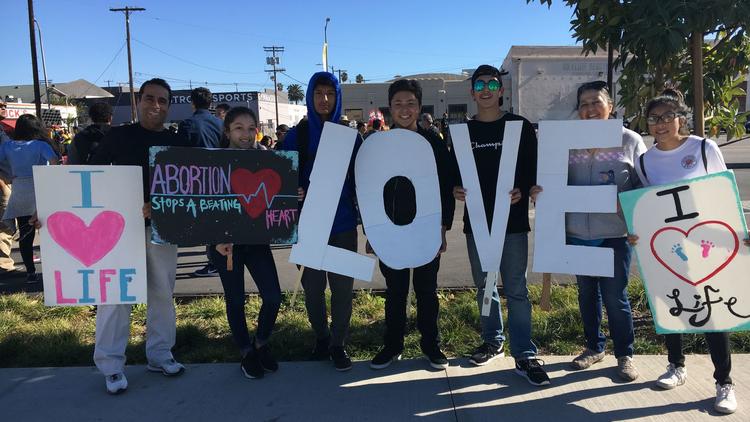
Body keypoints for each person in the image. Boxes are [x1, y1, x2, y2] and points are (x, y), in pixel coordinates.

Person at [631, 89, 737, 414]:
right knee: (672, 308)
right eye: (653, 118)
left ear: (681, 118)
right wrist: (636, 232)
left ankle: (725, 383)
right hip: (667, 246)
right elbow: (645, 204)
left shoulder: (705, 148)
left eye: (666, 117)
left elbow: (723, 193)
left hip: (706, 245)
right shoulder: (645, 161)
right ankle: (676, 365)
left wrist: (737, 236)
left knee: (713, 313)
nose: (660, 124)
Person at [534, 81, 645, 381]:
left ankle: (625, 355)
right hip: (578, 234)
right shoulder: (567, 143)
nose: (589, 109)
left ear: (610, 106)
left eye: (596, 102)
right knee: (586, 294)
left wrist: (636, 221)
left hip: (614, 235)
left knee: (614, 297)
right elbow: (552, 179)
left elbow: (644, 189)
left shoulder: (630, 141)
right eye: (583, 104)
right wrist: (540, 190)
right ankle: (594, 348)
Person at [89, 78, 190, 394]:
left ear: (169, 106)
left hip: (162, 230)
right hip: (118, 230)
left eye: (162, 100)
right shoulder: (118, 137)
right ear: (138, 101)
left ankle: (160, 355)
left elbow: (187, 188)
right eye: (149, 98)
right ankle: (111, 365)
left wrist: (160, 206)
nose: (155, 105)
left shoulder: (178, 142)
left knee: (162, 293)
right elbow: (88, 178)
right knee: (116, 297)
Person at [452, 65, 549, 386]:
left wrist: (524, 187)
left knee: (517, 289)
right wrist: (455, 189)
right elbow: (454, 174)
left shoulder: (519, 126)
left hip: (513, 222)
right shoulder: (463, 132)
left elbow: (533, 167)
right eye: (479, 84)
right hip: (477, 222)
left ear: (501, 90)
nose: (486, 89)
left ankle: (524, 351)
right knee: (485, 286)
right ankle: (493, 340)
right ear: (472, 92)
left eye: (492, 83)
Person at [368, 79, 455, 370]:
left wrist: (443, 228)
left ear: (419, 107)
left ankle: (431, 345)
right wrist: (373, 231)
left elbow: (446, 188)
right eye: (398, 104)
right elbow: (368, 192)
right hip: (390, 230)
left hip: (427, 230)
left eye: (410, 104)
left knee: (427, 291)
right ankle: (392, 345)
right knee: (395, 292)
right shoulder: (378, 144)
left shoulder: (433, 142)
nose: (404, 110)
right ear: (390, 109)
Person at [278, 72, 361, 371]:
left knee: (341, 288)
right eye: (318, 93)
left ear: (338, 97)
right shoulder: (295, 136)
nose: (324, 99)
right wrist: (291, 188)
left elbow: (365, 177)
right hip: (308, 225)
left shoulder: (351, 135)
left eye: (330, 93)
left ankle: (339, 343)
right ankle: (322, 338)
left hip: (343, 224)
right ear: (310, 96)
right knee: (312, 288)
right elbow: (277, 176)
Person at [211, 106, 282, 379]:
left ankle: (261, 343)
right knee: (236, 300)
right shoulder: (212, 160)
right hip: (224, 246)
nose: (246, 133)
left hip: (256, 241)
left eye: (251, 128)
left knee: (273, 297)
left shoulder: (266, 160)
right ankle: (245, 351)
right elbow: (200, 205)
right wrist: (215, 239)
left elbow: (277, 197)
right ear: (227, 130)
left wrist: (293, 192)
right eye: (239, 127)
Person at [0, 114, 58, 283]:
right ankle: (53, 270)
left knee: (26, 235)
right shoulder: (40, 145)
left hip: (19, 189)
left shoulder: (8, 146)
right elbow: (54, 163)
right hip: (40, 188)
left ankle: (30, 273)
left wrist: (6, 177)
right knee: (49, 231)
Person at [179, 87, 224, 278]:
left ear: (193, 103)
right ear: (211, 103)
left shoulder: (187, 124)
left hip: (197, 180)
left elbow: (180, 153)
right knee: (217, 222)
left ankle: (214, 263)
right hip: (221, 178)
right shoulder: (220, 124)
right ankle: (217, 261)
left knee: (208, 225)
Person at [0, 99, 17, 274]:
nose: (4, 108)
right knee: (5, 224)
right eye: (0, 106)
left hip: (8, 180)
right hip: (2, 182)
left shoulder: (2, 129)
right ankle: (3, 264)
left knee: (8, 223)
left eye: (4, 105)